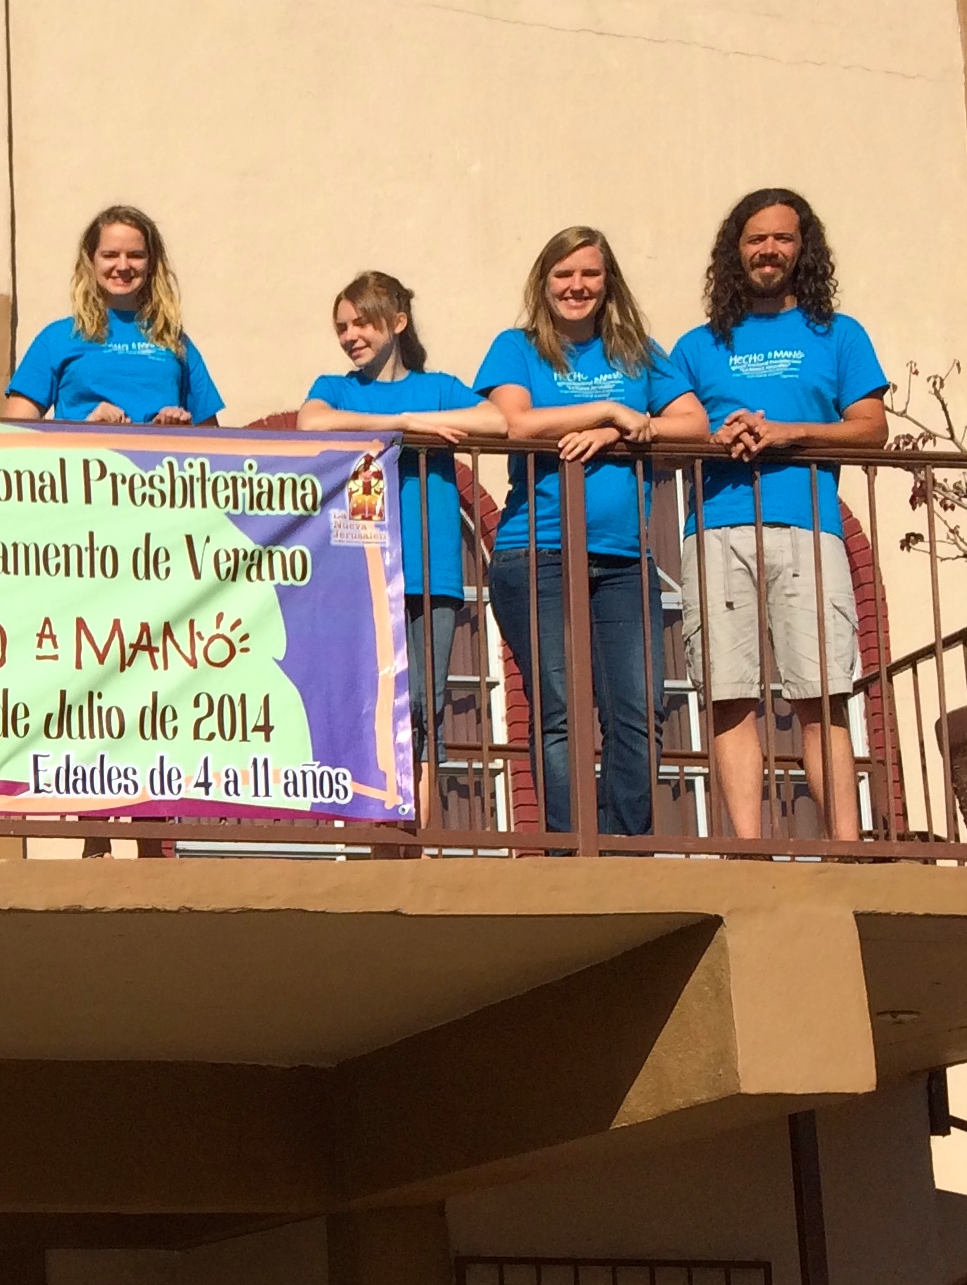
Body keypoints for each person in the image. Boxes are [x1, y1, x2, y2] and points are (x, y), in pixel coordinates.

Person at [671, 187, 888, 842]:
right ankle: (748, 852)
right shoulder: (696, 345)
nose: (768, 250)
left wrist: (786, 433)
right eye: (755, 239)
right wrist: (718, 437)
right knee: (728, 696)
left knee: (822, 694)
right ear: (736, 252)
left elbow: (872, 429)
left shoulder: (839, 335)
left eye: (782, 239)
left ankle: (846, 852)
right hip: (714, 528)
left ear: (803, 249)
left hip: (808, 526)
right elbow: (670, 432)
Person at [474, 227, 706, 838]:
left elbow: (695, 424)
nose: (577, 286)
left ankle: (627, 849)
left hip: (625, 561)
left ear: (608, 283)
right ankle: (570, 848)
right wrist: (607, 410)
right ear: (544, 282)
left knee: (640, 711)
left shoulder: (636, 351)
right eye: (563, 275)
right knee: (560, 711)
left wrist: (619, 433)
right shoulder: (517, 347)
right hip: (536, 554)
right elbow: (515, 424)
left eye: (589, 275)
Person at [294, 272, 504, 762]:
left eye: (362, 324)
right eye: (343, 328)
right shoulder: (337, 389)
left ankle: (420, 841)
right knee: (368, 707)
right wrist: (404, 425)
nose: (351, 337)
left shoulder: (438, 388)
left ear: (398, 323)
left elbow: (496, 420)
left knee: (424, 712)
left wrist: (429, 420)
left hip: (433, 571)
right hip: (361, 571)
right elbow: (312, 420)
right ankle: (381, 841)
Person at [3, 205, 223, 426]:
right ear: (91, 260)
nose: (123, 266)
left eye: (136, 255)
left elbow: (213, 440)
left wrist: (179, 431)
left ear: (151, 263)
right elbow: (14, 435)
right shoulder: (56, 338)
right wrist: (86, 428)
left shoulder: (174, 340)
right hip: (83, 459)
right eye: (110, 255)